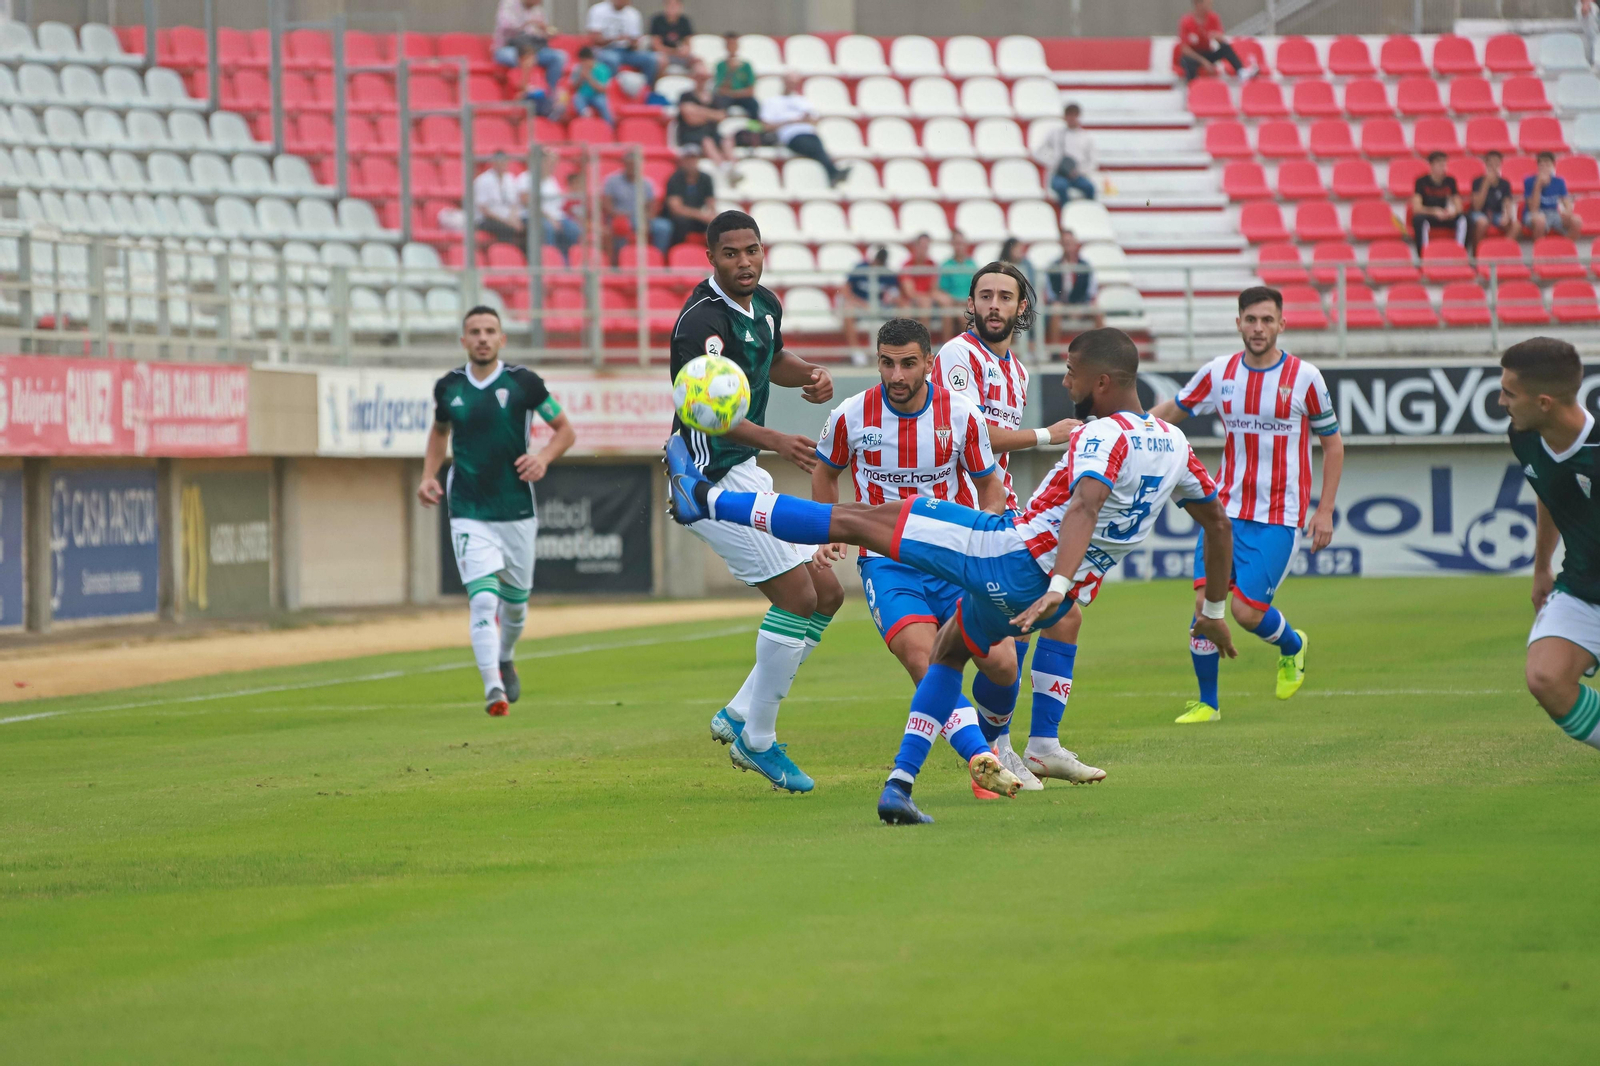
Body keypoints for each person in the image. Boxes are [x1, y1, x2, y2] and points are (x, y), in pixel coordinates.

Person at [665, 327, 1237, 824]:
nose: (1065, 383)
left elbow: (1084, 507)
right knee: (947, 653)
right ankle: (902, 786)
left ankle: (704, 500)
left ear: (1104, 382)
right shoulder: (1176, 445)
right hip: (1051, 591)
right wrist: (1212, 612)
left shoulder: (1100, 435)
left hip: (1004, 554)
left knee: (860, 519)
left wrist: (1056, 581)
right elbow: (1216, 524)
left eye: (1071, 373)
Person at [669, 209, 842, 794]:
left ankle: (740, 711)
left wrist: (810, 374)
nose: (744, 262)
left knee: (828, 592)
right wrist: (776, 439)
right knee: (797, 594)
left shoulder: (765, 304)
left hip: (745, 473)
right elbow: (705, 411)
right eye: (731, 254)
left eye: (752, 251)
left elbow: (772, 361)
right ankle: (758, 742)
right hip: (704, 482)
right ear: (711, 258)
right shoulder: (699, 324)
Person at [812, 317, 1018, 800]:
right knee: (924, 661)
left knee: (1004, 666)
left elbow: (990, 487)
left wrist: (984, 530)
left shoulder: (962, 413)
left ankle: (990, 746)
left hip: (951, 558)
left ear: (930, 363)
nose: (897, 376)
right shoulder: (851, 415)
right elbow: (826, 472)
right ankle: (980, 761)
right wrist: (827, 528)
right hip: (887, 563)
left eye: (909, 364)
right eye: (887, 363)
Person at [1150, 286, 1345, 724]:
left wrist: (1325, 509)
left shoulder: (1305, 377)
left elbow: (1333, 446)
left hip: (1279, 517)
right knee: (1204, 608)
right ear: (1238, 322)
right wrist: (1131, 426)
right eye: (1251, 320)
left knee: (1245, 612)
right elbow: (1175, 410)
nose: (1259, 328)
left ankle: (1293, 646)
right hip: (1224, 512)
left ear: (1281, 324)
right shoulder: (1220, 372)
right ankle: (1208, 703)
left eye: (1267, 320)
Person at [930, 260, 1081, 785]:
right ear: (970, 305)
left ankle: (1032, 744)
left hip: (1002, 515)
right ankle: (994, 748)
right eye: (985, 296)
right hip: (959, 517)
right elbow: (968, 433)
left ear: (1022, 307)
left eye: (1005, 297)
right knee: (990, 643)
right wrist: (1047, 434)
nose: (994, 306)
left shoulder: (1016, 370)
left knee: (1058, 614)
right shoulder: (957, 354)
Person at [418, 306, 576, 716]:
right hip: (468, 506)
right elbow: (439, 433)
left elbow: (565, 431)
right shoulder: (448, 388)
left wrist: (542, 458)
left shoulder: (524, 383)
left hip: (517, 509)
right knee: (483, 602)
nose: (483, 337)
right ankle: (493, 689)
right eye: (475, 331)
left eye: (490, 331)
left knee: (517, 605)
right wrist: (428, 475)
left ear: (502, 339)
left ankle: (505, 656)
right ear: (464, 341)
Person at [1503, 336, 1600, 755]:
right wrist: (1542, 566)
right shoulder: (1525, 436)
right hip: (1582, 586)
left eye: (1509, 392)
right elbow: (1547, 489)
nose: (1502, 401)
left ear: (1544, 402)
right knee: (1545, 677)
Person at [761, 74, 849, 188]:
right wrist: (791, 121)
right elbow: (765, 126)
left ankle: (833, 173)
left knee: (816, 145)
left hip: (809, 134)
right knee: (816, 148)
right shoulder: (771, 102)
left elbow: (815, 120)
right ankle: (833, 172)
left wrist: (805, 119)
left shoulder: (802, 101)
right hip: (790, 135)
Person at [601, 154, 673, 260]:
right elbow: (606, 205)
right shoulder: (612, 181)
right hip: (620, 217)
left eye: (634, 164)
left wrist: (647, 220)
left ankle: (657, 258)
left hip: (641, 218)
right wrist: (618, 215)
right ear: (624, 164)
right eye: (629, 164)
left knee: (663, 227)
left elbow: (652, 206)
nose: (632, 167)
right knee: (621, 226)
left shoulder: (646, 183)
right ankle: (620, 260)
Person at [675, 60, 739, 178]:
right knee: (707, 142)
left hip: (710, 132)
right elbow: (690, 118)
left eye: (704, 77)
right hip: (691, 134)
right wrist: (711, 115)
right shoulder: (686, 95)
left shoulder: (714, 97)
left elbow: (721, 116)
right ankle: (723, 168)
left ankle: (734, 167)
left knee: (727, 140)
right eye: (700, 77)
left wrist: (698, 112)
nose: (702, 81)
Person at [492, 0, 566, 98]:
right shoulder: (509, 4)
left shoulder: (538, 10)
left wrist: (547, 32)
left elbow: (542, 36)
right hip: (509, 47)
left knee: (559, 57)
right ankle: (523, 89)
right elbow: (506, 26)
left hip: (533, 49)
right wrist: (529, 23)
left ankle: (551, 95)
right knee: (514, 57)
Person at [516, 150, 580, 261]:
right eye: (549, 164)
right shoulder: (525, 178)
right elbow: (528, 202)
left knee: (573, 229)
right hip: (533, 217)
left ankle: (564, 261)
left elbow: (558, 203)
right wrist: (550, 218)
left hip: (555, 217)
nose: (552, 167)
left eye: (553, 164)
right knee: (547, 228)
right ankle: (548, 261)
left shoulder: (551, 180)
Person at [1034, 102, 1097, 206]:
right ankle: (1067, 213)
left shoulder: (1086, 137)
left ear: (1078, 116)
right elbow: (1039, 152)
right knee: (1061, 186)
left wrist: (1079, 171)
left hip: (1077, 175)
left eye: (1074, 115)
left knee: (1089, 188)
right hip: (1059, 173)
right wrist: (1053, 162)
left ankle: (1087, 213)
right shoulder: (1055, 134)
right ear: (1065, 117)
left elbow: (1093, 162)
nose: (1071, 118)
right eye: (1069, 115)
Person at [1178, 0, 1257, 82]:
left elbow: (1221, 39)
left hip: (1207, 52)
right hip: (1194, 56)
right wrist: (1204, 62)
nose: (1210, 6)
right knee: (1187, 61)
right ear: (1198, 4)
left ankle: (1241, 71)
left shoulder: (1213, 18)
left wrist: (1217, 37)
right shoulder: (1186, 21)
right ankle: (1192, 85)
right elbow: (1185, 50)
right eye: (1207, 3)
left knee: (1225, 47)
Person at [842, 246, 903, 349]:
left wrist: (891, 297)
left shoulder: (887, 273)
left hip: (881, 307)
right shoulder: (860, 269)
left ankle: (900, 349)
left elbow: (896, 293)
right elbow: (845, 291)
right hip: (860, 306)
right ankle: (856, 352)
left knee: (904, 309)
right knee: (848, 310)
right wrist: (861, 304)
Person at [1045, 229, 1103, 337]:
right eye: (1065, 243)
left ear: (1075, 244)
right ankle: (1055, 352)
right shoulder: (1053, 266)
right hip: (1062, 305)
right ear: (1061, 244)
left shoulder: (1085, 265)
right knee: (1055, 308)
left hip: (1081, 304)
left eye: (1070, 243)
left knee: (1097, 309)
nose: (1068, 246)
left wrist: (1081, 306)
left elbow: (1091, 291)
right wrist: (1059, 303)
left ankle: (1102, 348)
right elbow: (1050, 293)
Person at [587, 0, 659, 85]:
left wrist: (634, 43)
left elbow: (635, 43)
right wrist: (615, 39)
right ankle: (612, 90)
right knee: (612, 59)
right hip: (604, 50)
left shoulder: (633, 14)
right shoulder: (598, 10)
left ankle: (645, 91)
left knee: (651, 59)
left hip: (626, 51)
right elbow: (595, 40)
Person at [660, 148, 716, 253]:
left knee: (716, 224)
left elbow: (711, 202)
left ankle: (714, 254)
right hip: (677, 218)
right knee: (681, 223)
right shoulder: (675, 179)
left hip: (697, 217)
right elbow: (676, 209)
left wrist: (711, 215)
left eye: (693, 159)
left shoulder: (706, 178)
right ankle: (674, 252)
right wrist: (701, 215)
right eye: (688, 159)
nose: (691, 163)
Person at [1410, 150, 1466, 252]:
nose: (1443, 168)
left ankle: (1460, 251)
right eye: (1440, 164)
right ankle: (1423, 254)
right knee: (1418, 220)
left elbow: (1459, 207)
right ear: (1431, 165)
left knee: (1464, 219)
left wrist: (1452, 212)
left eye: (1445, 164)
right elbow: (1416, 208)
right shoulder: (1421, 182)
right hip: (1429, 215)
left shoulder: (1450, 181)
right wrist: (1434, 211)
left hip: (1445, 215)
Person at [898, 233, 953, 333]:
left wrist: (931, 296)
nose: (924, 249)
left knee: (947, 301)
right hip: (910, 300)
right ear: (916, 246)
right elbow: (909, 292)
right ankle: (925, 343)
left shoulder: (932, 264)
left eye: (926, 247)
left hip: (926, 296)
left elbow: (933, 288)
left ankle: (947, 341)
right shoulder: (907, 265)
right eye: (922, 246)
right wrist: (925, 297)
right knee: (925, 304)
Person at [1469, 149, 1520, 251]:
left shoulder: (1504, 183)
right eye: (1490, 164)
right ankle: (1478, 255)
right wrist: (1486, 183)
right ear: (1486, 164)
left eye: (1496, 164)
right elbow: (1477, 206)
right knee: (1482, 222)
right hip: (1480, 213)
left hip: (1497, 213)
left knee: (1516, 225)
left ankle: (1503, 251)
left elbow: (1507, 202)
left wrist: (1506, 215)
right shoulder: (1477, 181)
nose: (1493, 167)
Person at [1523, 151, 1579, 240]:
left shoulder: (1559, 181)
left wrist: (1567, 212)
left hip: (1553, 213)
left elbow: (1567, 202)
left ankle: (1566, 248)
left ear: (1553, 166)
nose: (1544, 168)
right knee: (1540, 221)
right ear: (1537, 166)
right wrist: (1538, 185)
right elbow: (1533, 209)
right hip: (1534, 213)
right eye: (1541, 165)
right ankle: (1540, 250)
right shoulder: (1529, 181)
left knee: (1576, 221)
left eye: (1547, 165)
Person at [472, 152, 525, 247]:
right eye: (500, 162)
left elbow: (514, 203)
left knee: (528, 227)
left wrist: (513, 219)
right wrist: (507, 222)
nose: (503, 165)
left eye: (505, 162)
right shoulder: (483, 180)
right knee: (507, 229)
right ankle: (505, 255)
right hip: (486, 219)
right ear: (494, 163)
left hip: (507, 217)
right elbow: (484, 210)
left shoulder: (510, 179)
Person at [713, 31, 759, 120]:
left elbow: (751, 90)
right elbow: (720, 89)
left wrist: (732, 93)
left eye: (734, 44)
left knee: (754, 105)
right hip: (726, 98)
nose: (732, 47)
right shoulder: (721, 65)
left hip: (741, 97)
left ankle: (755, 130)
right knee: (718, 104)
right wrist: (731, 71)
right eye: (729, 44)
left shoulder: (746, 65)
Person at [567, 46, 616, 124]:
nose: (583, 63)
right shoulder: (578, 68)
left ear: (591, 59)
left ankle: (610, 127)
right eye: (581, 61)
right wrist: (580, 78)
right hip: (583, 95)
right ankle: (587, 119)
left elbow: (602, 89)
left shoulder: (602, 69)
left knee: (602, 104)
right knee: (577, 99)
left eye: (585, 61)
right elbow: (573, 87)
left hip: (598, 95)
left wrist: (589, 77)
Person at [650, 0, 694, 73]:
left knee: (697, 62)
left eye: (675, 4)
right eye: (670, 4)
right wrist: (674, 52)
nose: (672, 7)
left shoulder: (685, 21)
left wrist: (684, 50)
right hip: (664, 54)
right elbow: (656, 46)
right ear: (665, 5)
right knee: (661, 61)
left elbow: (688, 44)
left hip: (680, 55)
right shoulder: (657, 20)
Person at [938, 232, 977, 310]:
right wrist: (955, 300)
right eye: (956, 244)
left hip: (970, 302)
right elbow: (942, 289)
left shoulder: (972, 265)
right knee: (950, 310)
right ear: (952, 245)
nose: (959, 247)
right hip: (953, 302)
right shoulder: (946, 265)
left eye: (961, 243)